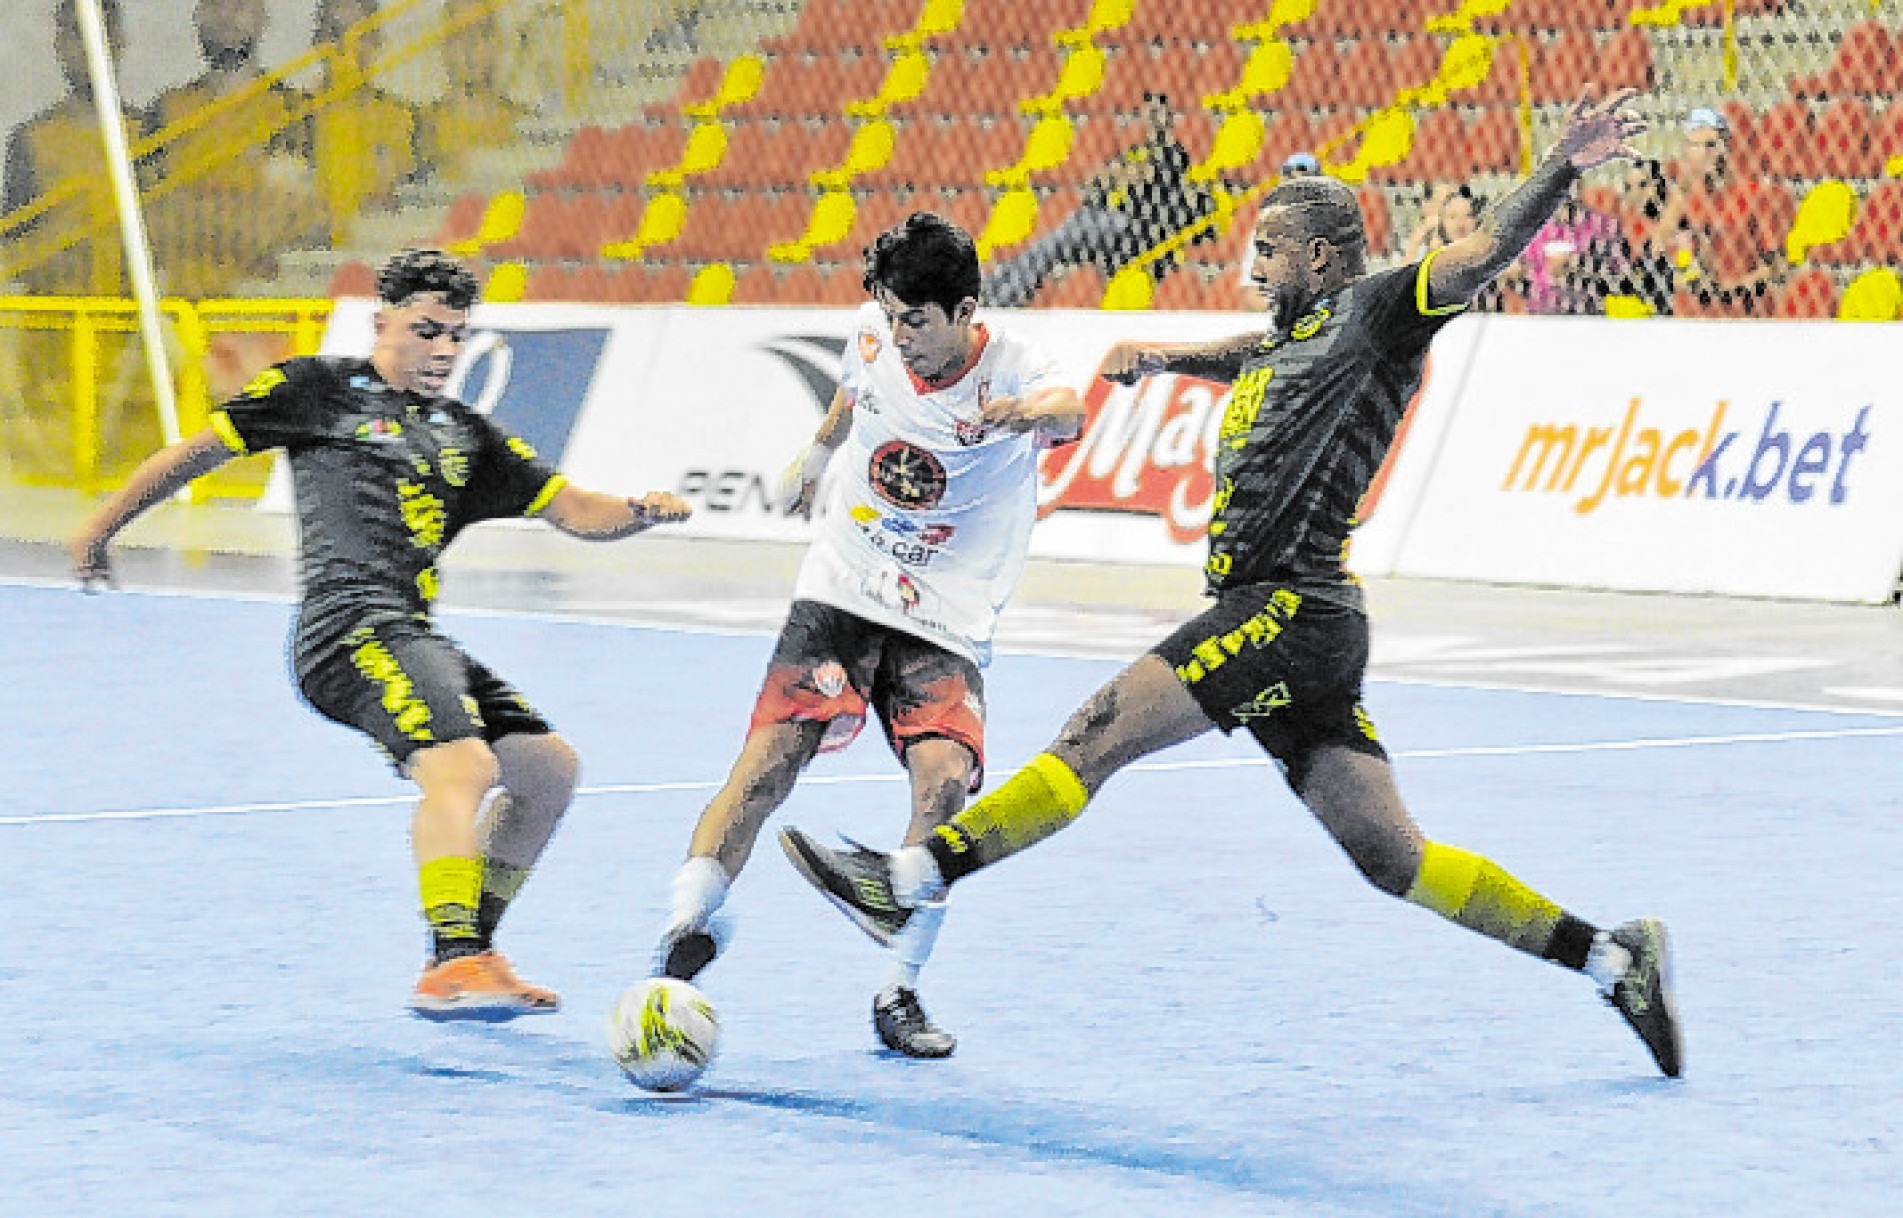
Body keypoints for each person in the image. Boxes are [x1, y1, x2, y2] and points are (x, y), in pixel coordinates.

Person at [779, 88, 1684, 1079]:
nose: (1250, 267)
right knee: (1395, 860)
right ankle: (1612, 957)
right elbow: (1252, 351)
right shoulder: (1295, 338)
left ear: (1324, 259)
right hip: (1306, 628)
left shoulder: (1381, 311)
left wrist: (1559, 161)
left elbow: (1478, 259)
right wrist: (1163, 354)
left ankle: (906, 877)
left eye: (1269, 252)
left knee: (1096, 732)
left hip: (1286, 608)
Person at [68, 249, 693, 1019]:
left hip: (411, 632)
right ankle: (452, 963)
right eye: (426, 330)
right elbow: (192, 455)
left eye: (456, 336)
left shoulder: (469, 436)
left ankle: (473, 949)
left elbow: (577, 511)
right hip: (345, 627)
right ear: (383, 322)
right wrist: (101, 528)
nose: (441, 350)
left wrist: (640, 512)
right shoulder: (314, 390)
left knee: (547, 771)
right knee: (459, 764)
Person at [649, 212, 1085, 1058]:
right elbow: (853, 387)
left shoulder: (1017, 366)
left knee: (943, 784)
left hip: (946, 610)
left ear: (963, 311)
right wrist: (815, 457)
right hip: (844, 585)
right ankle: (682, 933)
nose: (900, 335)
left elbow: (1066, 412)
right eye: (889, 316)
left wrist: (1020, 414)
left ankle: (899, 991)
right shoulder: (875, 335)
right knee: (768, 761)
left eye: (916, 320)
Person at [983, 92, 1216, 307]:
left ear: (1169, 118)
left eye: (1159, 112)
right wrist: (1123, 172)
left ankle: (1003, 292)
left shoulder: (1172, 152)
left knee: (1066, 232)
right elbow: (1100, 178)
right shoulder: (1138, 150)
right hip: (1116, 220)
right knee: (1054, 241)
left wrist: (1124, 173)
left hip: (1140, 227)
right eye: (1149, 112)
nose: (1153, 118)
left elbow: (1139, 176)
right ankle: (997, 287)